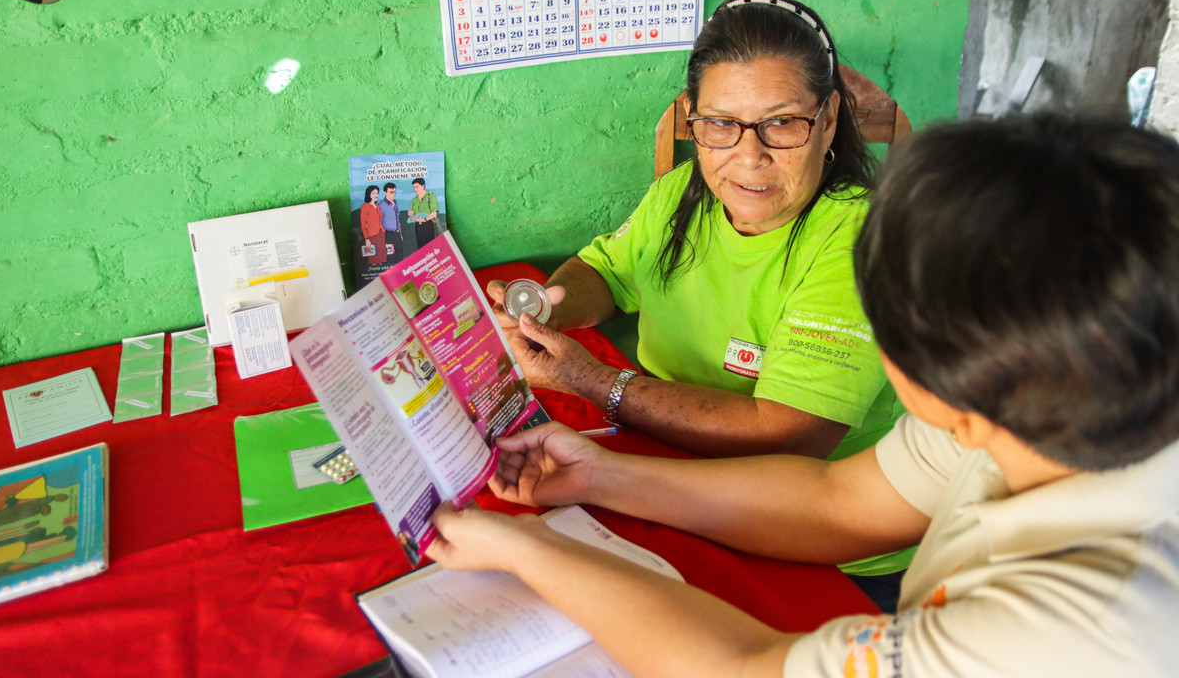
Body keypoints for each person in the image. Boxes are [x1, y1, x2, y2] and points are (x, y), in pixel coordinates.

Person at [430, 114, 1179, 677]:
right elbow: (837, 503)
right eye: (720, 124)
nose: (746, 153)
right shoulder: (1042, 396)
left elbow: (748, 665)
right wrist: (599, 474)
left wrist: (529, 551)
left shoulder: (1065, 630)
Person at [488, 0, 911, 596]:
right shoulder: (684, 193)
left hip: (822, 542)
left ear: (830, 119)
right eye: (720, 124)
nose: (749, 155)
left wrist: (593, 382)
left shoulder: (858, 240)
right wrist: (540, 306)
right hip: (670, 476)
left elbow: (789, 433)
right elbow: (606, 272)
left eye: (783, 122)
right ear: (693, 119)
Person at [408, 177, 440, 249]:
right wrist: (410, 212)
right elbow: (411, 211)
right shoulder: (414, 199)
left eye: (417, 187)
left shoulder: (430, 196)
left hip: (428, 224)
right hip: (417, 226)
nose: (415, 189)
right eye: (414, 187)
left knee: (430, 247)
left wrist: (425, 219)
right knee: (420, 247)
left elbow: (434, 212)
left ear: (423, 186)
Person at [360, 184, 385, 265]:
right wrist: (367, 239)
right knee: (374, 258)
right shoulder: (365, 206)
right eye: (373, 193)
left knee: (381, 258)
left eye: (377, 193)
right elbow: (363, 224)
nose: (376, 195)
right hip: (372, 236)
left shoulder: (377, 206)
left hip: (381, 234)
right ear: (369, 194)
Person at [379, 182, 403, 263]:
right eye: (391, 192)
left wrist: (400, 234)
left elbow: (398, 220)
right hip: (387, 235)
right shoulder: (381, 206)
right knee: (390, 257)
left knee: (400, 256)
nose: (394, 194)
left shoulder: (395, 203)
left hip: (397, 234)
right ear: (385, 192)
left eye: (394, 192)